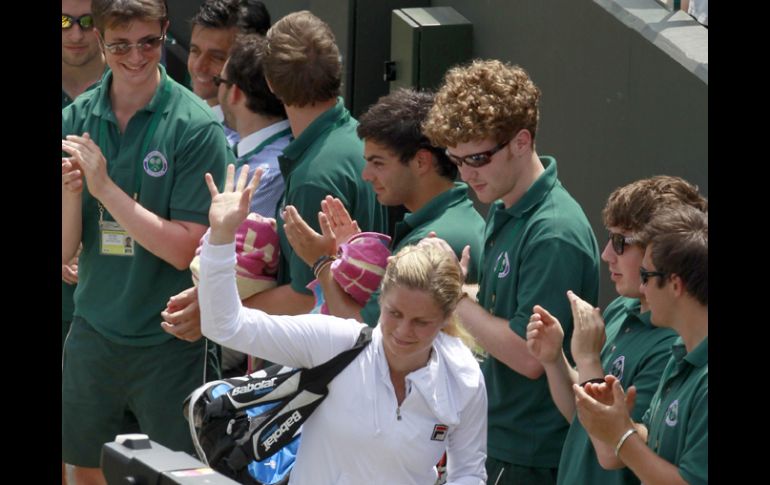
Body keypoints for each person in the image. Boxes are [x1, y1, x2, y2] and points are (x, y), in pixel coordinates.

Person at [196, 164, 488, 484]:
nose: (404, 331)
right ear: (382, 299)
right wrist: (221, 237)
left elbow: (469, 471)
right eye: (394, 314)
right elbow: (225, 325)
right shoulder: (335, 342)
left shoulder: (462, 373)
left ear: (447, 317)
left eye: (421, 322)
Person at [61, 0, 230, 483]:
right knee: (85, 469)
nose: (136, 57)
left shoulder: (194, 125)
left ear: (164, 32)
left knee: (178, 475)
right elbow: (66, 251)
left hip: (169, 342)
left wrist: (104, 189)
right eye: (120, 46)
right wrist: (72, 194)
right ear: (100, 40)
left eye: (149, 43)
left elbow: (183, 249)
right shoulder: (76, 118)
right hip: (94, 330)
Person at [422, 59, 600, 484]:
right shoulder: (506, 204)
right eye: (455, 159)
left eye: (478, 158)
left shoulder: (553, 232)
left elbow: (529, 355)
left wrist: (452, 293)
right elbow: (501, 315)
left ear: (521, 142)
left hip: (530, 456)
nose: (466, 174)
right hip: (499, 440)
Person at [161, 10, 386, 334]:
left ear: (271, 84)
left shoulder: (314, 176)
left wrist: (213, 313)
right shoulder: (351, 136)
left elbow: (305, 297)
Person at [525, 176, 707, 485]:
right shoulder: (631, 317)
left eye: (621, 242)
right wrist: (554, 359)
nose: (607, 254)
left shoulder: (673, 343)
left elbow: (611, 453)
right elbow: (588, 422)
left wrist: (588, 359)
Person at [283, 88, 484, 326]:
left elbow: (363, 331)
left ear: (421, 162)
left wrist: (321, 262)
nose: (366, 175)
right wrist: (354, 256)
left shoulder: (428, 242)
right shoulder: (457, 218)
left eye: (378, 163)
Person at [573, 205, 707, 485]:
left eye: (646, 276)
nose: (642, 289)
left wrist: (620, 437)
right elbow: (653, 436)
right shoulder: (681, 356)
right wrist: (619, 423)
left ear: (675, 285)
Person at [187, 0, 271, 147]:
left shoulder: (254, 142)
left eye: (217, 57)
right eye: (195, 51)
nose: (199, 67)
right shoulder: (182, 113)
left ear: (252, 58)